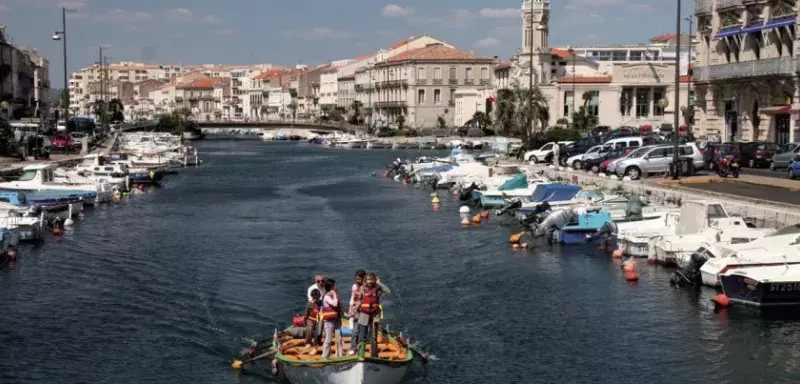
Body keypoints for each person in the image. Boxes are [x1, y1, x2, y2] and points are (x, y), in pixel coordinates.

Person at [351, 272, 383, 357]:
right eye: (368, 280)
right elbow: (360, 300)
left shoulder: (377, 289)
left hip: (374, 315)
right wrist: (354, 309)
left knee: (373, 337)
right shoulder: (362, 288)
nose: (369, 281)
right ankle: (361, 355)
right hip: (364, 315)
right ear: (365, 280)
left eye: (371, 279)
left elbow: (387, 291)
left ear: (374, 280)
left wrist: (379, 283)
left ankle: (374, 356)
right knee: (362, 336)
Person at [320, 278, 343, 359]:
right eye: (335, 285)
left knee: (339, 339)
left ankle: (340, 356)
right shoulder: (327, 296)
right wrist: (335, 294)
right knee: (328, 339)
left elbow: (338, 308)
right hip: (329, 321)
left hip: (336, 319)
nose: (337, 286)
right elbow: (335, 304)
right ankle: (325, 357)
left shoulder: (333, 295)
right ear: (332, 287)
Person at [348, 269, 366, 352]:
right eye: (356, 279)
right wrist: (351, 308)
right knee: (355, 330)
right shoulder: (354, 287)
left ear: (363, 279)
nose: (357, 281)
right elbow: (352, 297)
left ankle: (362, 348)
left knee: (364, 331)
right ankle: (353, 347)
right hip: (356, 310)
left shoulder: (367, 287)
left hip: (365, 312)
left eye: (359, 279)